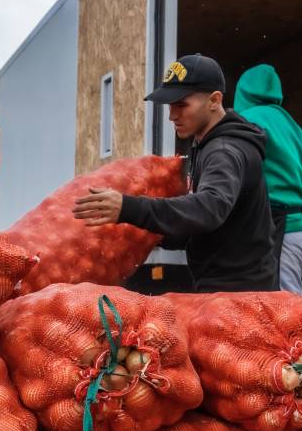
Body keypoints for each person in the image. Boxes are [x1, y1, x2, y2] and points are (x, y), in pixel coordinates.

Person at [72, 54, 276, 293]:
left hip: (238, 295)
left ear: (214, 100)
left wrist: (129, 207)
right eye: (170, 105)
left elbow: (210, 208)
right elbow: (213, 225)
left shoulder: (223, 150)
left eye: (181, 104)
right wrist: (144, 232)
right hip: (231, 289)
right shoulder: (209, 144)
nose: (172, 116)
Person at [234, 64, 302, 294]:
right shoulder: (293, 126)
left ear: (241, 92)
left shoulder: (244, 121)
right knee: (287, 308)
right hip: (297, 233)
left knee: (281, 317)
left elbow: (234, 176)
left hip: (272, 234)